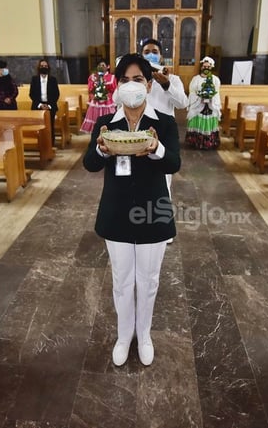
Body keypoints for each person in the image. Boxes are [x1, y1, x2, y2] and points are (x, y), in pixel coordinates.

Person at [83, 54, 181, 367]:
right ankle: (124, 336)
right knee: (122, 280)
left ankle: (145, 334)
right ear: (117, 85)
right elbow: (90, 163)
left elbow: (174, 163)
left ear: (150, 85)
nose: (131, 85)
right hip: (117, 210)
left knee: (149, 280)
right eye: (125, 79)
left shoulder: (163, 123)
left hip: (153, 210)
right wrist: (100, 147)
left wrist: (156, 148)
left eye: (138, 79)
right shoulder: (106, 123)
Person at [139, 39, 187, 117]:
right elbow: (117, 100)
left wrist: (167, 85)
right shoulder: (136, 78)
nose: (151, 55)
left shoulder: (173, 79)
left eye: (155, 52)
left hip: (165, 125)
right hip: (142, 125)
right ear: (142, 57)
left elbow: (182, 104)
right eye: (147, 52)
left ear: (161, 57)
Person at [185, 56, 221, 150]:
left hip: (210, 105)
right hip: (198, 104)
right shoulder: (195, 79)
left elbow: (217, 92)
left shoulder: (215, 79)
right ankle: (195, 142)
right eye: (204, 66)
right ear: (201, 67)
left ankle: (209, 143)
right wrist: (200, 97)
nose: (206, 68)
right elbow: (192, 92)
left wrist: (210, 96)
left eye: (208, 67)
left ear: (211, 67)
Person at [29, 58, 61, 144]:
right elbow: (32, 94)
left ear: (48, 67)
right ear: (39, 67)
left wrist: (48, 105)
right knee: (38, 126)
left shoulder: (53, 80)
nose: (44, 67)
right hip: (38, 106)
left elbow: (56, 94)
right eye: (42, 66)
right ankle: (40, 143)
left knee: (50, 126)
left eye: (45, 66)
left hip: (50, 106)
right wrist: (40, 105)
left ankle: (50, 144)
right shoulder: (34, 79)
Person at [80, 61, 117, 133]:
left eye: (103, 65)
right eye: (99, 65)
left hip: (107, 102)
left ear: (108, 66)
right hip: (96, 102)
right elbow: (90, 89)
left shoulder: (112, 77)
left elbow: (114, 90)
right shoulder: (93, 77)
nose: (101, 67)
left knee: (107, 120)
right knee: (95, 120)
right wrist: (95, 91)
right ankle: (95, 134)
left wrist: (106, 91)